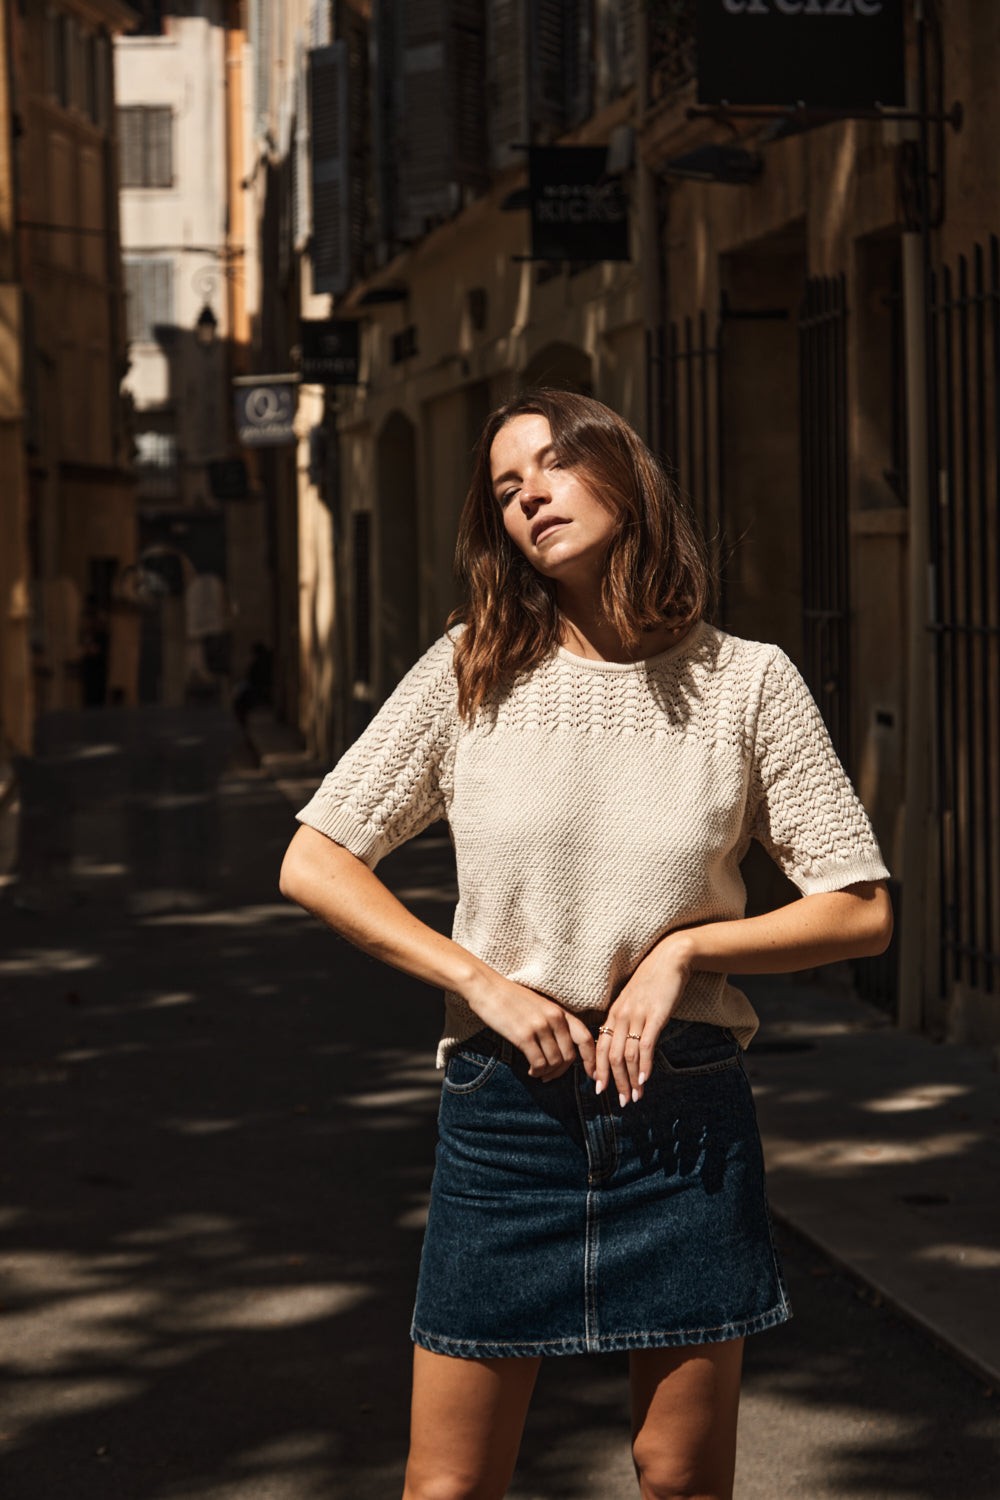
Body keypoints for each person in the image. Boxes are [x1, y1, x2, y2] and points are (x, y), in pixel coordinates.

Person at [279, 389, 893, 1500]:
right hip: (504, 1118)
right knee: (451, 1486)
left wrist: (687, 954)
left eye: (552, 466)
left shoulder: (744, 683)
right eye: (505, 489)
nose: (529, 498)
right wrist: (482, 983)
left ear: (625, 474)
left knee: (676, 1478)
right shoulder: (471, 671)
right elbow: (314, 860)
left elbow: (857, 906)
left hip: (683, 1116)